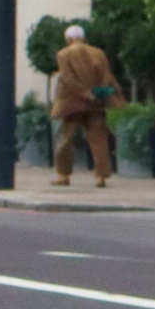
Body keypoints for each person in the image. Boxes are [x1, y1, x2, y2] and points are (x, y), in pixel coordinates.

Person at [51, 23, 119, 187]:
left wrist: (85, 94)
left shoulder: (63, 54)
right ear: (83, 38)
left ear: (68, 39)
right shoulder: (98, 53)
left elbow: (67, 79)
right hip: (95, 103)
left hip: (71, 104)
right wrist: (97, 94)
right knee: (99, 140)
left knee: (66, 140)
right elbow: (106, 77)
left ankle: (63, 175)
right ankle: (101, 177)